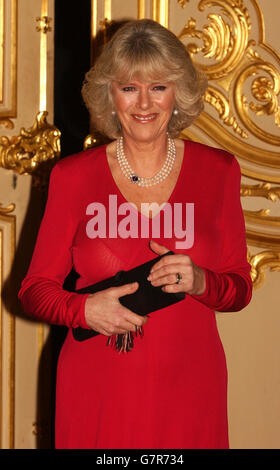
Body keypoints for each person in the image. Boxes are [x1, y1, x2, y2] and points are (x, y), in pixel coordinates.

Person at [18, 19, 252, 449]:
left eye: (158, 87)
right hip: (96, 389)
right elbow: (34, 289)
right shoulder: (72, 177)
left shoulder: (219, 171)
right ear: (110, 95)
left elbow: (238, 288)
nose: (144, 103)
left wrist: (202, 281)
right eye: (129, 88)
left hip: (189, 389)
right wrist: (83, 310)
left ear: (177, 93)